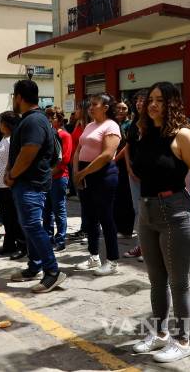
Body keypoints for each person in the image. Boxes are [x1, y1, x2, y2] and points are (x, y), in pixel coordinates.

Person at [130, 82, 190, 363]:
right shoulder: (144, 132)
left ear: (172, 103)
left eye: (161, 100)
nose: (153, 104)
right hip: (147, 211)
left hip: (175, 212)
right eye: (151, 99)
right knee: (156, 280)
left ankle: (183, 340)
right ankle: (160, 333)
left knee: (178, 282)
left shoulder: (183, 135)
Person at [6, 79, 66, 293]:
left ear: (19, 97)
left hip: (30, 183)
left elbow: (28, 152)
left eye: (14, 96)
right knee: (29, 226)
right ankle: (35, 267)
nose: (13, 100)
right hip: (26, 183)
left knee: (32, 226)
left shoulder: (34, 121)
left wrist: (12, 174)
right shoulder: (31, 119)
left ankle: (53, 271)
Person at [74, 93, 121, 276]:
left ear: (106, 107)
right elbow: (79, 149)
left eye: (95, 104)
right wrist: (76, 173)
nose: (90, 107)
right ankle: (94, 256)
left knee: (106, 218)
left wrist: (83, 173)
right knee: (90, 218)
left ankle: (112, 260)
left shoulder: (111, 126)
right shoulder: (89, 125)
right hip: (85, 175)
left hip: (103, 175)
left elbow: (107, 155)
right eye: (90, 104)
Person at [0, 111, 26, 259]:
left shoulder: (13, 139)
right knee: (6, 217)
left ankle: (21, 245)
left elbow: (14, 160)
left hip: (8, 183)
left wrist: (10, 176)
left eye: (1, 122)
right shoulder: (4, 138)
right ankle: (9, 243)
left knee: (14, 217)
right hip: (0, 184)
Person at [43, 107, 72, 252]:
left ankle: (60, 240)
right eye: (47, 116)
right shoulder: (47, 134)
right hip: (48, 177)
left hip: (59, 177)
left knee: (59, 209)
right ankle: (48, 238)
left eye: (52, 117)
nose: (49, 119)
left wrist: (51, 172)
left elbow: (65, 159)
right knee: (46, 210)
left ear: (59, 119)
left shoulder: (65, 135)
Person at [124, 89, 148, 260]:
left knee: (147, 210)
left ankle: (148, 248)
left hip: (149, 175)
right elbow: (128, 147)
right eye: (137, 100)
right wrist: (129, 169)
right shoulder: (134, 122)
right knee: (137, 210)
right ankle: (141, 245)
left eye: (142, 100)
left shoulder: (153, 123)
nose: (139, 103)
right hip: (134, 173)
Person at [114, 100, 135, 239]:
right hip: (114, 164)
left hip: (123, 163)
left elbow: (127, 146)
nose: (121, 111)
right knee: (116, 197)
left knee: (126, 197)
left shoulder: (130, 125)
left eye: (124, 108)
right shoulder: (114, 123)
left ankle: (126, 229)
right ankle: (117, 226)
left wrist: (115, 159)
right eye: (118, 108)